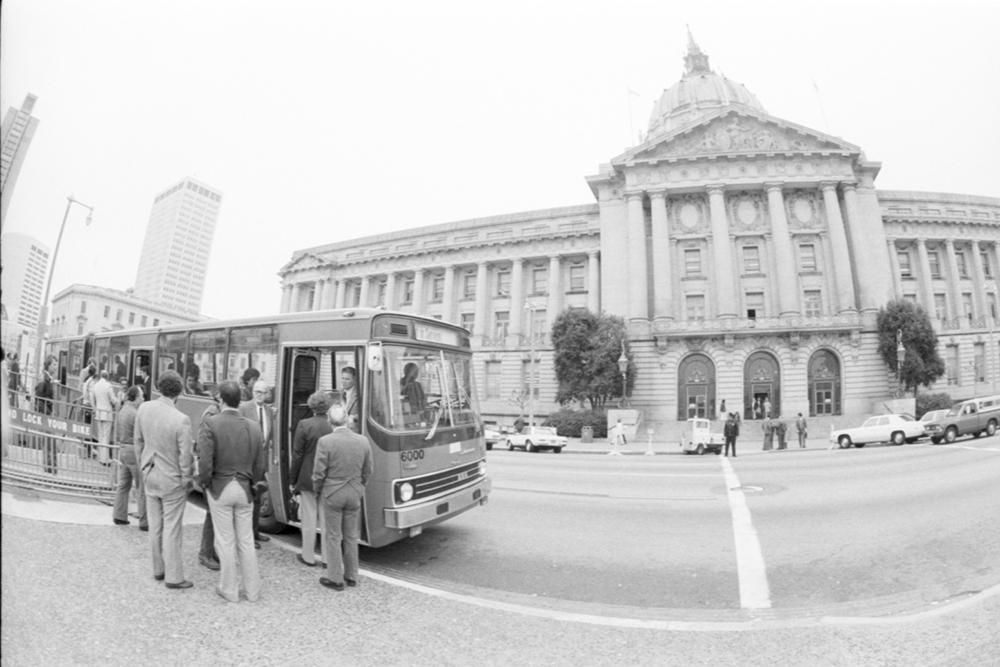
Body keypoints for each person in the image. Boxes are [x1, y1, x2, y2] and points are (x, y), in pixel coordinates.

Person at [197, 380, 265, 603]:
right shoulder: (254, 427)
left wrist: (206, 483)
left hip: (221, 487)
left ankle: (230, 589)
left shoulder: (211, 423)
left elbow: (205, 461)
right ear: (240, 400)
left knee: (225, 541)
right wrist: (253, 485)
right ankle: (253, 591)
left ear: (222, 400)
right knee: (246, 541)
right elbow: (260, 464)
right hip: (245, 489)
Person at [134, 370, 195, 590]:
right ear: (179, 391)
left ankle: (158, 569)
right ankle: (174, 576)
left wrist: (142, 467)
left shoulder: (144, 408)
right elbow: (185, 457)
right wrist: (187, 479)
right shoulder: (181, 420)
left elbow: (138, 442)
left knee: (155, 526)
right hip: (172, 480)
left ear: (159, 387)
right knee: (172, 528)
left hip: (150, 474)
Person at [312, 401, 372, 591]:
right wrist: (359, 486)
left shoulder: (325, 442)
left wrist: (318, 491)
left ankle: (336, 578)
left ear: (330, 421)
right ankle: (352, 575)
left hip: (333, 493)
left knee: (332, 536)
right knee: (351, 536)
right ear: (347, 420)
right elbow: (369, 470)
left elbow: (318, 473)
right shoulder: (363, 441)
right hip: (354, 493)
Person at [289, 391, 333, 567]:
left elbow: (298, 454)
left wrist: (293, 479)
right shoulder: (332, 426)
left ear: (311, 406)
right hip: (328, 479)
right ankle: (327, 559)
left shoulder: (304, 425)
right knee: (326, 520)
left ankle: (308, 556)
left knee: (308, 519)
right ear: (327, 407)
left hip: (307, 478)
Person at [239, 380, 274, 547]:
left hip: (261, 462)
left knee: (257, 500)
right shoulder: (244, 408)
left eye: (263, 392)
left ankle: (255, 532)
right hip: (246, 462)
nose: (260, 395)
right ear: (252, 392)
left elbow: (268, 438)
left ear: (267, 394)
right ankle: (247, 537)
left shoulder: (269, 411)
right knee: (246, 501)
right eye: (257, 392)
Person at [112, 385, 148, 530]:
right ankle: (145, 522)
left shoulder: (122, 410)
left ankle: (119, 515)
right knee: (141, 487)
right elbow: (142, 435)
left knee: (123, 484)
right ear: (135, 398)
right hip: (134, 451)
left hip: (123, 449)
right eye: (141, 396)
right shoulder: (135, 413)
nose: (143, 399)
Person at [196, 393, 223, 571]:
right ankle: (205, 553)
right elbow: (205, 450)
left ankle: (211, 550)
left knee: (215, 515)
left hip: (216, 470)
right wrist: (205, 479)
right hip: (212, 472)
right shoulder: (211, 415)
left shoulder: (214, 413)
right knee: (211, 514)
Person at [91, 370, 120, 464]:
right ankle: (105, 459)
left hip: (99, 413)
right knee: (106, 437)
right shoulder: (108, 386)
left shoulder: (95, 386)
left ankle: (101, 458)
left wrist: (95, 409)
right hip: (107, 413)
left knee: (100, 435)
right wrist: (118, 401)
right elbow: (113, 399)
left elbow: (92, 399)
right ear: (107, 377)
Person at [341, 366, 361, 432]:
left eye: (347, 379)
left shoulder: (359, 395)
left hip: (354, 431)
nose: (344, 381)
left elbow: (358, 416)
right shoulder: (340, 393)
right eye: (342, 378)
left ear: (354, 380)